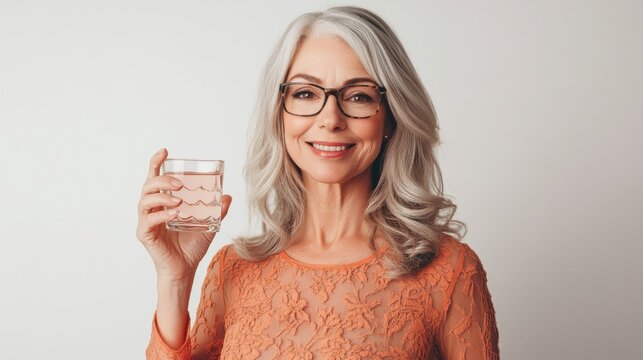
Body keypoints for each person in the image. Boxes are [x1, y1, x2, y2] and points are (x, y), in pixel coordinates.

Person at [138, 6, 499, 360]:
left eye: (358, 96)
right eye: (306, 93)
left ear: (391, 118)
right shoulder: (231, 268)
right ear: (279, 114)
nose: (330, 119)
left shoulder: (449, 270)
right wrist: (174, 280)